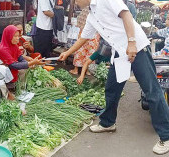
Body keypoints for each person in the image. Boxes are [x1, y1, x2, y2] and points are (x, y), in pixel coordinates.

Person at [59, 0, 169, 155]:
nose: (74, 2)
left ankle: (166, 136)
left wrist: (131, 43)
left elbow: (126, 15)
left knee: (151, 90)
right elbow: (84, 38)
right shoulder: (91, 16)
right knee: (112, 89)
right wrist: (68, 52)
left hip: (136, 47)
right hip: (119, 52)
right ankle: (108, 123)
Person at [0, 25, 44, 99]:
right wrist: (30, 63)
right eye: (14, 36)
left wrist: (28, 63)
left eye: (18, 36)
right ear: (8, 36)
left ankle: (18, 90)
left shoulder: (14, 45)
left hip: (8, 68)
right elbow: (13, 65)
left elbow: (20, 58)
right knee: (4, 73)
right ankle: (6, 95)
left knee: (24, 70)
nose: (17, 38)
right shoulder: (2, 49)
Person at [70, 6, 100, 75]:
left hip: (84, 33)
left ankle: (76, 69)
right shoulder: (98, 9)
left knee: (80, 50)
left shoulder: (86, 8)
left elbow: (80, 21)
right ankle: (87, 71)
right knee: (90, 52)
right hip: (95, 34)